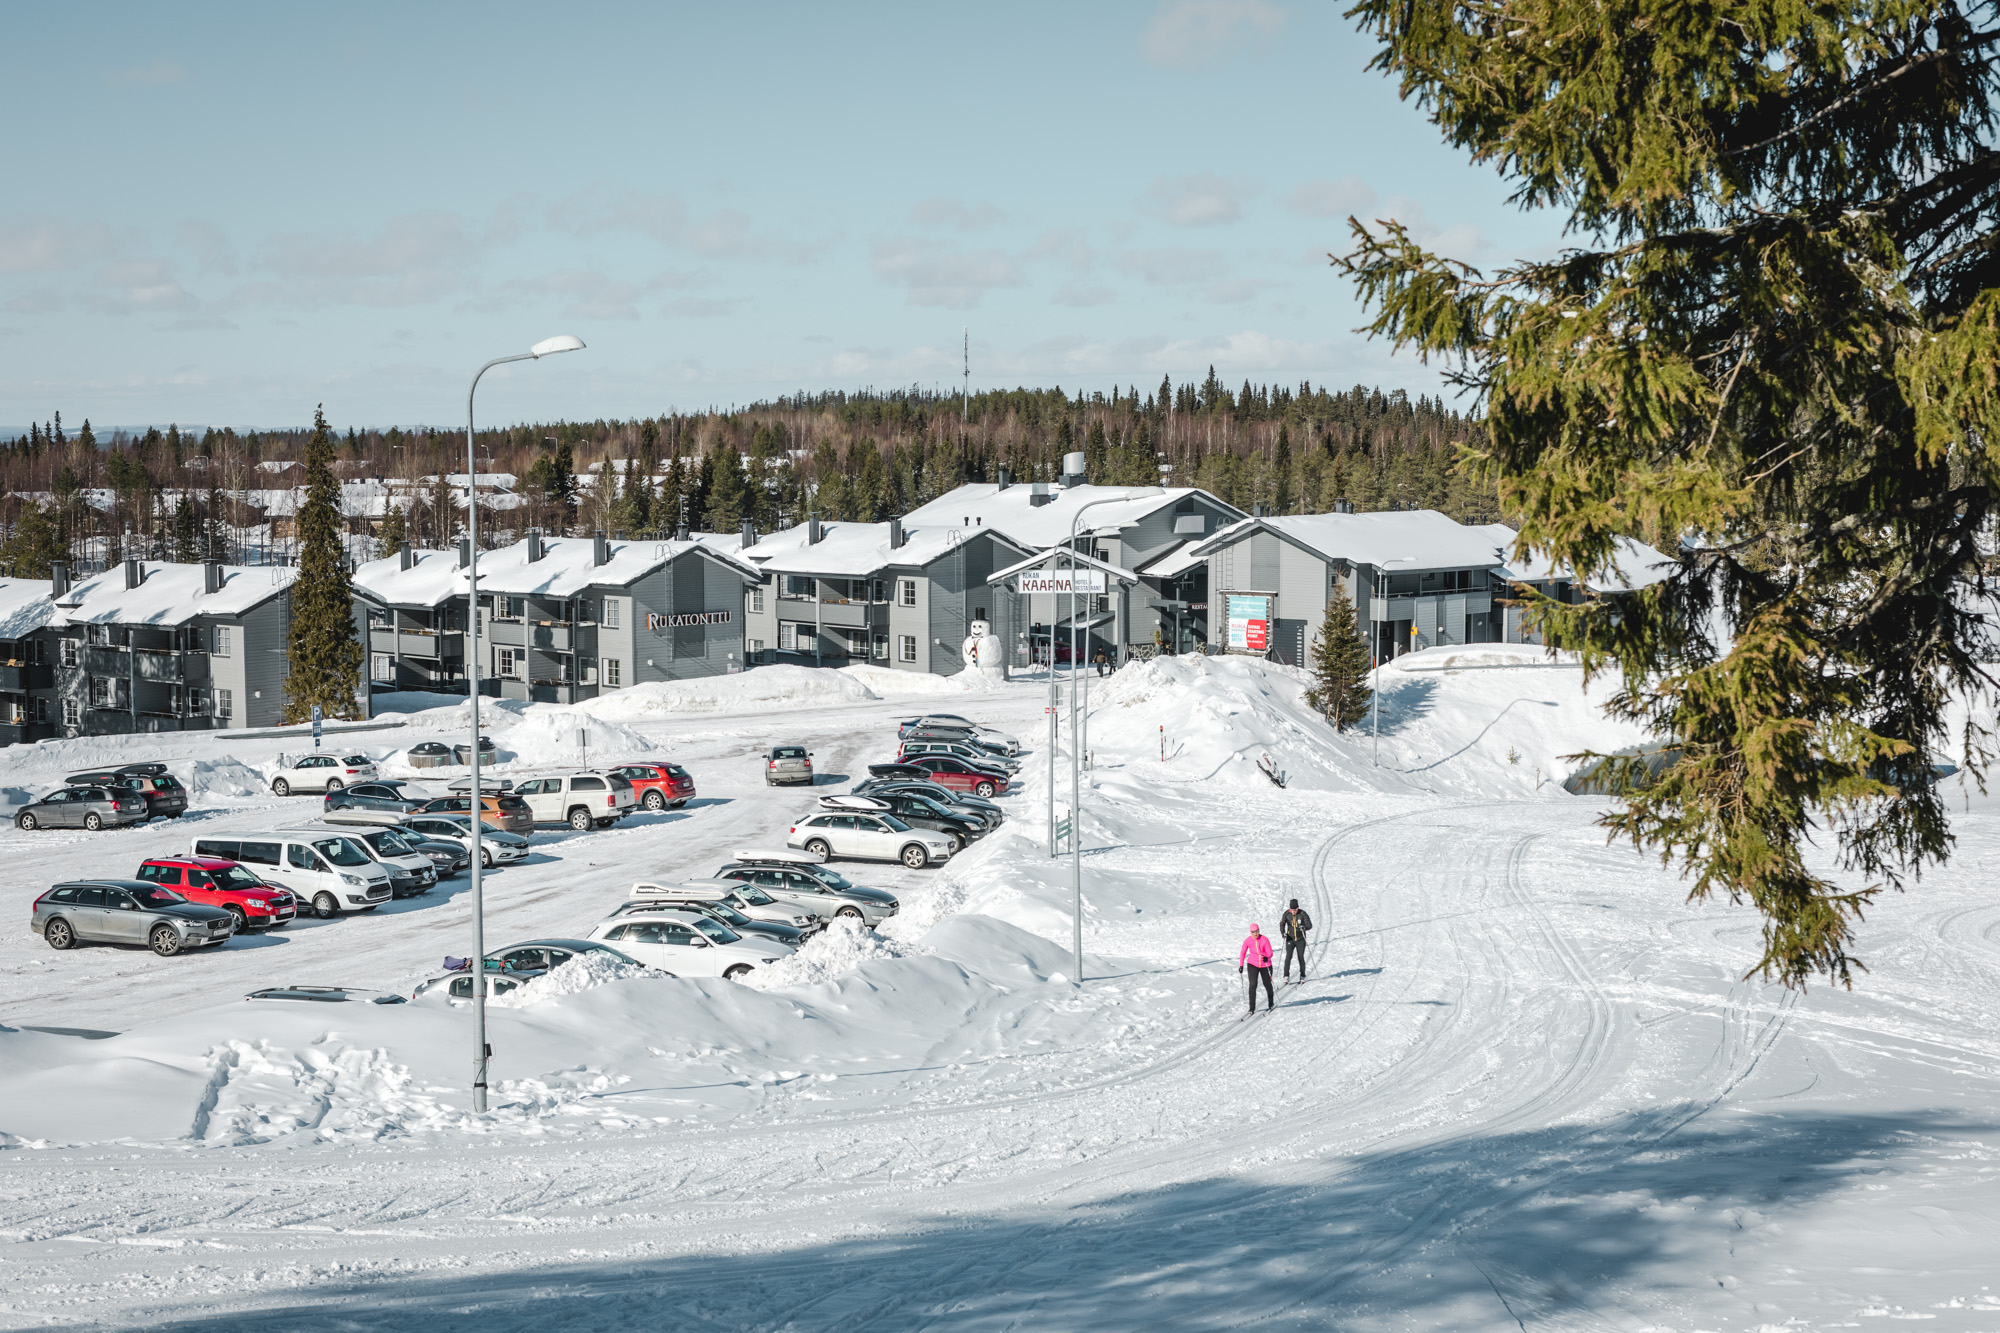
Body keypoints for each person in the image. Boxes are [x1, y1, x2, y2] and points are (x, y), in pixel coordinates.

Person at [1239, 922, 1275, 1016]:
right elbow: (1243, 953)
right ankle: (1251, 1008)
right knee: (1253, 984)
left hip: (1265, 964)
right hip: (1252, 963)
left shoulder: (1264, 939)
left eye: (1257, 931)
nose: (1255, 933)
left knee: (1267, 984)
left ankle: (1271, 1003)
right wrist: (1241, 965)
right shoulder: (1248, 940)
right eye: (1253, 932)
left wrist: (1267, 957)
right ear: (1250, 932)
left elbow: (1270, 952)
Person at [1279, 898, 1313, 984]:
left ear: (1298, 908)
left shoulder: (1302, 914)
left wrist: (1304, 927)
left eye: (1295, 910)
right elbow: (1282, 923)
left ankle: (1302, 975)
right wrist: (1283, 933)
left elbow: (1309, 925)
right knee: (1288, 957)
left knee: (1300, 957)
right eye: (1292, 910)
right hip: (1290, 938)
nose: (1293, 912)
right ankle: (1286, 976)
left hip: (1300, 939)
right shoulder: (1287, 914)